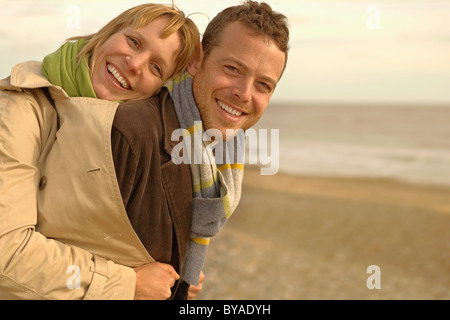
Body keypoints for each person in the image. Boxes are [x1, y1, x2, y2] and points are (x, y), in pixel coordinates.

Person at [0, 3, 199, 300]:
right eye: (134, 41)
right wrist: (127, 284)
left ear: (157, 91)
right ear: (107, 33)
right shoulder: (19, 108)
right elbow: (6, 253)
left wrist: (174, 270)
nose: (135, 63)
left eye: (156, 67)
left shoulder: (115, 136)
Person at [112, 0, 289, 300]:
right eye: (233, 69)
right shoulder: (132, 131)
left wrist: (181, 275)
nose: (244, 94)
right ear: (196, 60)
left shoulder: (218, 154)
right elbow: (61, 248)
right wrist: (127, 284)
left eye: (263, 85)